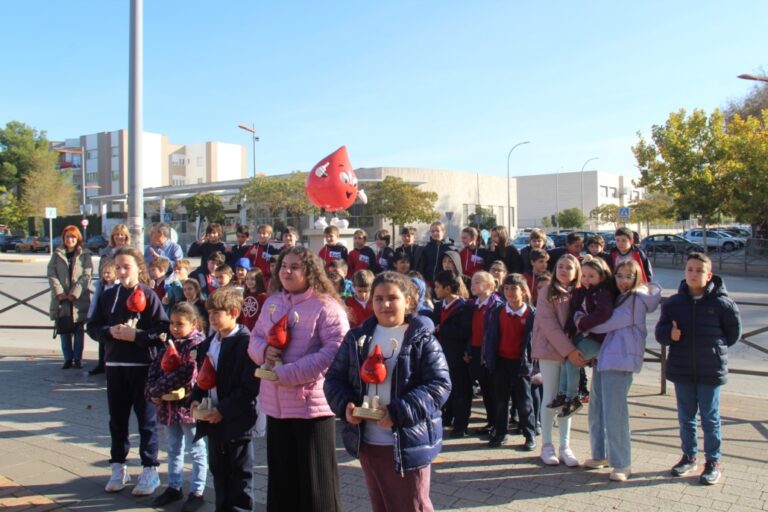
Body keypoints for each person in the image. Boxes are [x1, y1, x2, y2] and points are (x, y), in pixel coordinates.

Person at [324, 271, 451, 512]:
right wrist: (346, 406)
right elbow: (334, 379)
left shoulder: (421, 339)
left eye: (392, 298)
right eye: (379, 299)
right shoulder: (356, 337)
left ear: (408, 301)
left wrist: (397, 412)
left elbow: (439, 385)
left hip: (407, 442)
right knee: (381, 505)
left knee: (412, 506)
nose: (385, 304)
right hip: (368, 441)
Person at [247, 246, 349, 512]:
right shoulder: (272, 302)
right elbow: (255, 338)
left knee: (317, 488)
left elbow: (335, 351)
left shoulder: (326, 306)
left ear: (310, 272)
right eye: (283, 266)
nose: (287, 272)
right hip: (276, 407)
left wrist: (288, 373)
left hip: (311, 409)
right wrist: (263, 352)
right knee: (282, 485)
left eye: (295, 267)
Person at [86, 246, 169, 495]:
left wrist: (137, 336)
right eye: (118, 267)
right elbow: (93, 327)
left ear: (138, 268)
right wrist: (109, 332)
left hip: (142, 368)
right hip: (114, 366)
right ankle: (118, 466)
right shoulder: (108, 295)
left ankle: (150, 469)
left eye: (127, 267)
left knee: (146, 421)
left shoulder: (149, 295)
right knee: (117, 420)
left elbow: (163, 330)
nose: (122, 272)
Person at [655, 252, 741, 485]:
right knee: (686, 417)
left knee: (710, 418)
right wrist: (670, 334)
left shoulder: (722, 303)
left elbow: (733, 334)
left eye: (699, 270)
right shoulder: (674, 303)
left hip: (710, 370)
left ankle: (712, 461)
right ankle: (689, 456)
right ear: (685, 272)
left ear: (709, 275)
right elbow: (660, 333)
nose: (694, 274)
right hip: (682, 369)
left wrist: (714, 349)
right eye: (690, 269)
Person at [582, 260, 662, 482]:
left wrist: (582, 322)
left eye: (629, 276)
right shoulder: (621, 296)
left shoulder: (636, 299)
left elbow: (608, 323)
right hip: (606, 356)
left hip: (621, 359)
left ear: (637, 277)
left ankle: (622, 462)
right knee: (597, 408)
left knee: (614, 412)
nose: (623, 281)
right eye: (619, 276)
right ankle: (600, 454)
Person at [190, 288, 258, 511]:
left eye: (216, 313)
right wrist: (195, 399)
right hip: (212, 421)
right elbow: (202, 378)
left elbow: (249, 387)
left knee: (240, 476)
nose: (211, 318)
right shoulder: (208, 343)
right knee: (219, 472)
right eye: (209, 313)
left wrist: (223, 411)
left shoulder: (247, 343)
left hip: (237, 423)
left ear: (234, 313)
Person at [145, 303, 208, 511]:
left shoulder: (197, 345)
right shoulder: (170, 343)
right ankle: (174, 486)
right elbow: (156, 367)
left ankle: (197, 491)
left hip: (188, 407)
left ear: (193, 323)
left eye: (180, 324)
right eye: (172, 323)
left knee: (196, 449)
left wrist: (157, 389)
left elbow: (187, 373)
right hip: (168, 407)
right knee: (173, 448)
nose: (174, 327)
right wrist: (151, 390)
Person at [531, 253, 584, 467]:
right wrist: (568, 351)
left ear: (576, 271)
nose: (563, 270)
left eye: (568, 267)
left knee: (568, 399)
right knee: (551, 397)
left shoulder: (581, 292)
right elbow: (549, 325)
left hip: (574, 353)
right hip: (551, 351)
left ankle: (565, 446)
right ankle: (547, 445)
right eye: (560, 266)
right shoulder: (547, 291)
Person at [549, 257, 615, 419]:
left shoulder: (603, 293)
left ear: (602, 277)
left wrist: (583, 323)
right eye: (584, 276)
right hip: (583, 335)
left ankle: (572, 397)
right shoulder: (581, 293)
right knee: (566, 357)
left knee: (574, 360)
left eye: (591, 276)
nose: (586, 279)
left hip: (597, 339)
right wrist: (569, 330)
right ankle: (563, 393)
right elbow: (573, 313)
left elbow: (603, 313)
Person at [482, 274, 537, 451]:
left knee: (524, 401)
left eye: (514, 288)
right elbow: (490, 336)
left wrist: (532, 364)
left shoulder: (531, 314)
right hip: (501, 361)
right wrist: (488, 357)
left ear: (523, 291)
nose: (510, 292)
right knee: (501, 400)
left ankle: (529, 434)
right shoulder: (498, 311)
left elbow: (534, 341)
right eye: (506, 288)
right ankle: (500, 433)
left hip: (521, 363)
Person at [432, 270, 472, 438]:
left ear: (447, 289)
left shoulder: (464, 307)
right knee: (445, 388)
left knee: (461, 390)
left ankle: (461, 425)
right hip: (442, 355)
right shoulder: (439, 306)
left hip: (458, 355)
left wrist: (443, 329)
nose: (435, 290)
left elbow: (465, 332)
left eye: (437, 287)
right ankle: (447, 417)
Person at [48, 225, 94, 369]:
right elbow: (51, 273)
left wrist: (75, 293)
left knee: (78, 330)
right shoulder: (57, 254)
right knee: (64, 329)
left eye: (73, 237)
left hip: (79, 299)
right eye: (68, 236)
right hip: (61, 299)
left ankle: (78, 358)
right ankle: (67, 358)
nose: (70, 239)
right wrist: (59, 292)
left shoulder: (85, 254)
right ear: (63, 238)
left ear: (78, 238)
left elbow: (87, 275)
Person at [90, 224, 131, 375]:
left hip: (124, 291)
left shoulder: (130, 252)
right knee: (104, 327)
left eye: (122, 235)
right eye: (116, 235)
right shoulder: (106, 252)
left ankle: (118, 362)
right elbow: (102, 271)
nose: (119, 237)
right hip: (107, 291)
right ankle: (102, 363)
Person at [467, 271, 503, 436]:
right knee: (485, 388)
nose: (473, 285)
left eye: (477, 282)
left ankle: (498, 424)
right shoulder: (473, 305)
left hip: (489, 351)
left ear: (489, 285)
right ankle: (491, 421)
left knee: (494, 389)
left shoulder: (496, 305)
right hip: (476, 349)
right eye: (472, 282)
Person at [87, 258, 118, 374]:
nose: (106, 275)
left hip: (112, 317)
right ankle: (101, 364)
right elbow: (96, 301)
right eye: (104, 273)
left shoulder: (117, 286)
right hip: (102, 316)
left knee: (111, 344)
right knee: (101, 342)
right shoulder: (101, 286)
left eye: (109, 273)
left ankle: (109, 365)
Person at [419, 221, 457, 287]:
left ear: (443, 232)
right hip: (429, 282)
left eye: (437, 231)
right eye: (432, 231)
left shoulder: (450, 248)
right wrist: (423, 279)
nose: (435, 233)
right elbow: (422, 265)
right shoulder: (427, 248)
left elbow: (455, 266)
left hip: (444, 282)